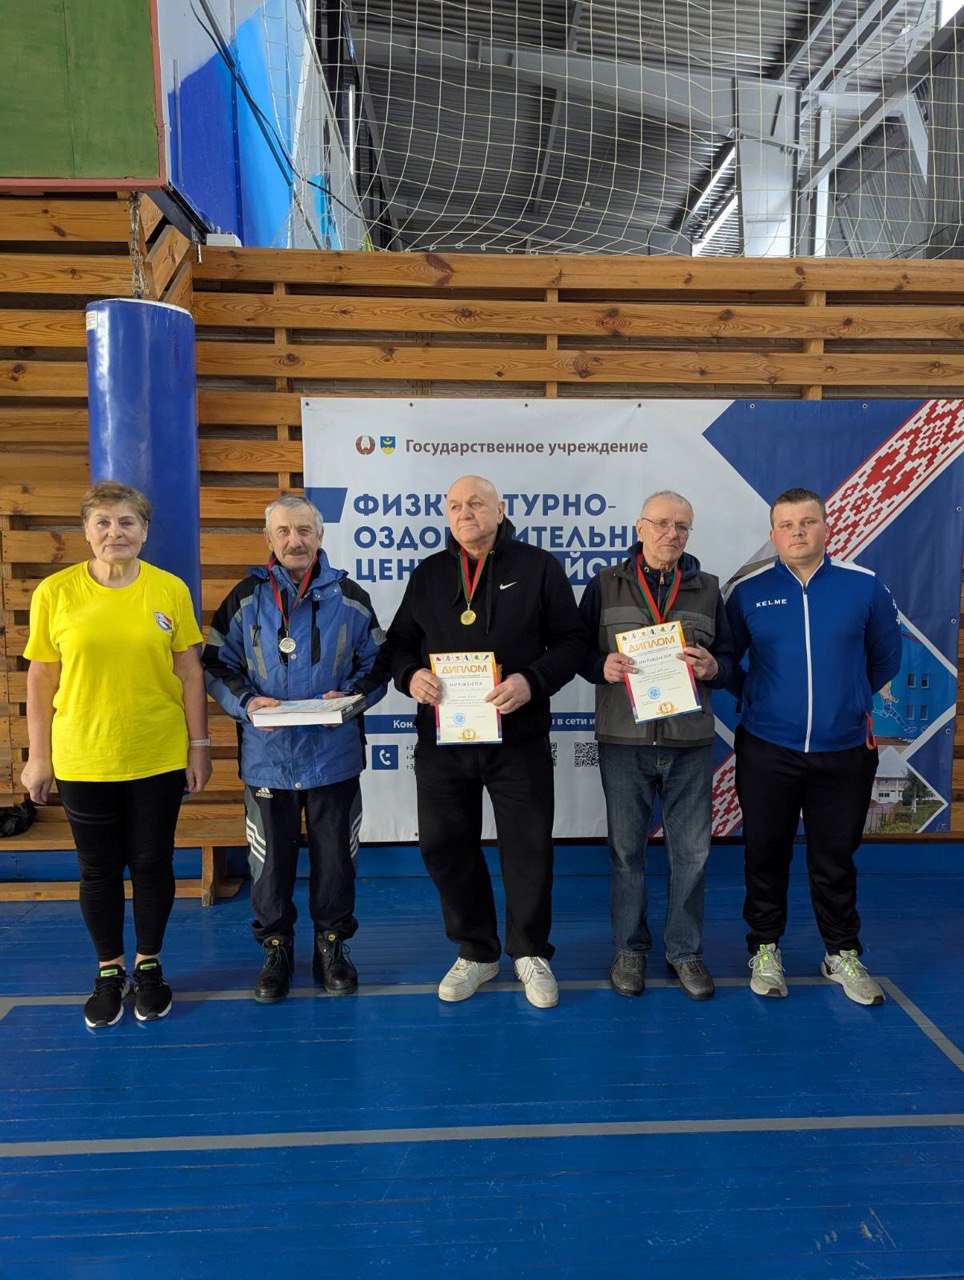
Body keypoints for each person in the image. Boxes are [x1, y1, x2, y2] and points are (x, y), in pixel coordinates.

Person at [386, 474, 588, 1009]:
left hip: (518, 737)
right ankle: (476, 951)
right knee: (442, 844)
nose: (464, 513)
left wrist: (532, 681)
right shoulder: (429, 573)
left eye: (476, 503)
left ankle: (530, 951)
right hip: (443, 740)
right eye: (454, 505)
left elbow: (572, 642)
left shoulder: (539, 567)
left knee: (528, 847)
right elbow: (398, 643)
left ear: (500, 509)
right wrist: (410, 676)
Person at [21, 481, 211, 1029]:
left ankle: (149, 966)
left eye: (127, 522)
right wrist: (39, 756)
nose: (115, 532)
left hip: (157, 753)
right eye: (102, 522)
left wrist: (199, 746)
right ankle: (109, 970)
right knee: (97, 869)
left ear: (144, 531)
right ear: (86, 531)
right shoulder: (55, 593)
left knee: (152, 863)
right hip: (84, 756)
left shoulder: (169, 589)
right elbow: (41, 677)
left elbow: (189, 671)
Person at [203, 494, 386, 1002]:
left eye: (304, 530)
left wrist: (350, 697)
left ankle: (332, 947)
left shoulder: (352, 598)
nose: (294, 540)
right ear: (268, 538)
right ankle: (275, 949)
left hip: (334, 757)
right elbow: (216, 664)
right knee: (269, 866)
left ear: (320, 536)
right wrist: (246, 702)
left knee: (337, 860)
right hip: (268, 759)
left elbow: (378, 665)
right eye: (283, 531)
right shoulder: (244, 598)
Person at [725, 487, 902, 1006]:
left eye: (807, 522)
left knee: (835, 857)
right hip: (767, 747)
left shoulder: (863, 585)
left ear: (827, 527)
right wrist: (759, 699)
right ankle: (764, 947)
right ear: (773, 534)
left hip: (845, 750)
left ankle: (841, 952)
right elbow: (728, 661)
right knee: (765, 852)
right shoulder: (748, 592)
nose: (797, 532)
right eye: (786, 525)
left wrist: (847, 701)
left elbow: (886, 659)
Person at [579, 490, 736, 1001]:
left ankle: (685, 951)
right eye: (663, 524)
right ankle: (629, 949)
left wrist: (713, 667)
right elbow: (575, 650)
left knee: (692, 852)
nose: (672, 534)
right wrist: (599, 664)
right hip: (624, 740)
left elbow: (729, 660)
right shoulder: (604, 584)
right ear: (640, 527)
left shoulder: (708, 589)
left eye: (682, 526)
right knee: (627, 852)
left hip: (689, 741)